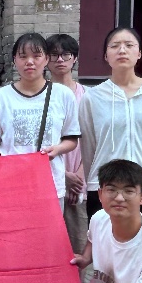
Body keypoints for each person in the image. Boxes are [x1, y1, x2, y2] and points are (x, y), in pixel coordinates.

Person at [79, 27, 142, 224]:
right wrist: (96, 181)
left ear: (139, 53)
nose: (122, 50)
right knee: (105, 242)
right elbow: (88, 148)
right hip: (105, 187)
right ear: (106, 55)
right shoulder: (92, 97)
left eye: (129, 45)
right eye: (115, 46)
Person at [0, 33, 80, 209]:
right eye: (23, 56)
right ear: (14, 60)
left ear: (46, 59)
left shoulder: (63, 95)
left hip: (50, 185)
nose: (29, 62)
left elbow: (71, 139)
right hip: (10, 187)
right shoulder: (0, 97)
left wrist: (57, 149)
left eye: (36, 56)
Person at [46, 34, 88, 269]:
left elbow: (93, 140)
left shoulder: (88, 96)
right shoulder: (40, 95)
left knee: (78, 247)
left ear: (75, 58)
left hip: (80, 183)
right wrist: (63, 176)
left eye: (66, 54)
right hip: (49, 179)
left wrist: (78, 177)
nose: (60, 60)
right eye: (54, 55)